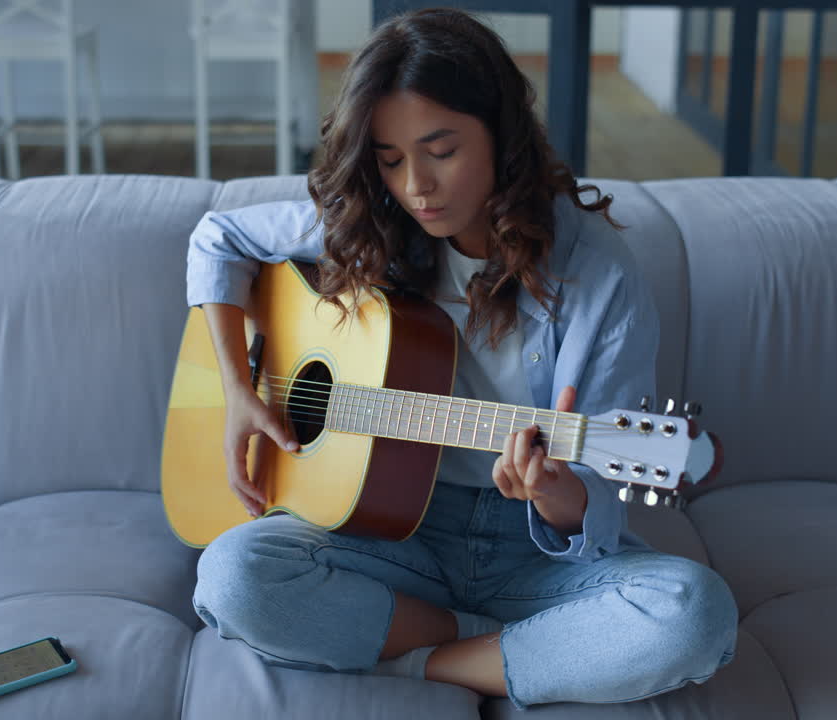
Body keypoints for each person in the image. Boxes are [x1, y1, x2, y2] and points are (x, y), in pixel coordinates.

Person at [185, 8, 737, 709]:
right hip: (391, 534)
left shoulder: (598, 275)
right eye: (390, 158)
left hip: (533, 558)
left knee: (694, 613)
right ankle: (510, 644)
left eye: (440, 151)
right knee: (231, 576)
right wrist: (239, 389)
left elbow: (593, 503)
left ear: (501, 137)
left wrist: (553, 492)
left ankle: (432, 660)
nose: (416, 185)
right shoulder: (371, 221)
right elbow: (217, 240)